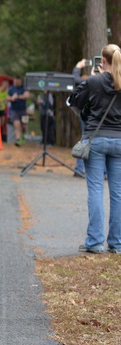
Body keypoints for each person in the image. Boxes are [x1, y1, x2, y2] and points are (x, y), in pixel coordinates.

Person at [70, 44, 121, 254]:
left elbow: (75, 102)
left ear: (102, 61)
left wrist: (90, 80)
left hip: (96, 139)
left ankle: (95, 242)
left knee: (96, 190)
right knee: (117, 193)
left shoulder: (94, 81)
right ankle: (117, 243)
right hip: (119, 141)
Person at [7, 77, 30, 146]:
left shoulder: (24, 88)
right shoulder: (11, 89)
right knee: (16, 125)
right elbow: (7, 97)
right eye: (15, 81)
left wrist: (18, 97)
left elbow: (27, 95)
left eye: (18, 81)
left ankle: (23, 136)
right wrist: (12, 98)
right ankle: (18, 139)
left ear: (20, 81)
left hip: (23, 110)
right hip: (14, 110)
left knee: (24, 126)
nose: (16, 82)